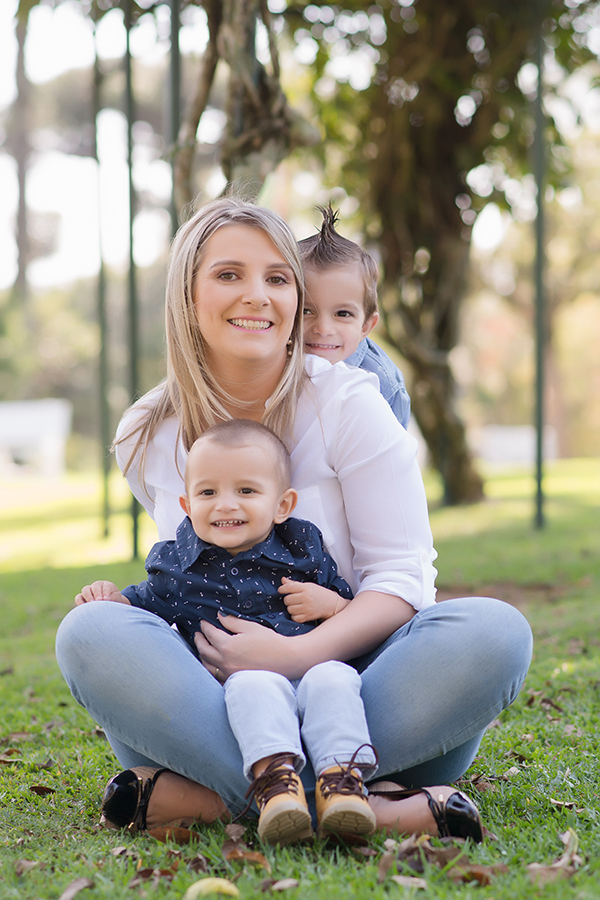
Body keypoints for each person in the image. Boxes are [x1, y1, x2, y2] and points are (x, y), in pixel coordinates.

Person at [55, 196, 532, 843]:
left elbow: (400, 580)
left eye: (278, 278)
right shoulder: (147, 430)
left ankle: (228, 798)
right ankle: (375, 806)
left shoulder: (348, 405)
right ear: (186, 294)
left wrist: (292, 655)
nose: (257, 295)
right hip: (224, 704)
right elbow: (190, 572)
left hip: (365, 695)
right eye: (229, 275)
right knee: (90, 631)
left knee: (495, 632)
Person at [75, 419, 379, 844]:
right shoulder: (179, 567)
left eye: (246, 491)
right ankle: (277, 791)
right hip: (241, 698)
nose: (225, 505)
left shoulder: (302, 548)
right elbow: (141, 604)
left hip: (311, 674)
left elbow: (350, 609)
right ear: (186, 504)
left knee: (337, 677)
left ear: (282, 504)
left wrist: (332, 605)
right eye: (207, 493)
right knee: (252, 686)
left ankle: (343, 784)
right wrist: (110, 599)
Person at [299, 205, 411, 429]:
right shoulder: (274, 356)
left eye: (342, 314)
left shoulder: (382, 384)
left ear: (366, 326)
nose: (323, 328)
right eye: (306, 311)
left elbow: (391, 458)